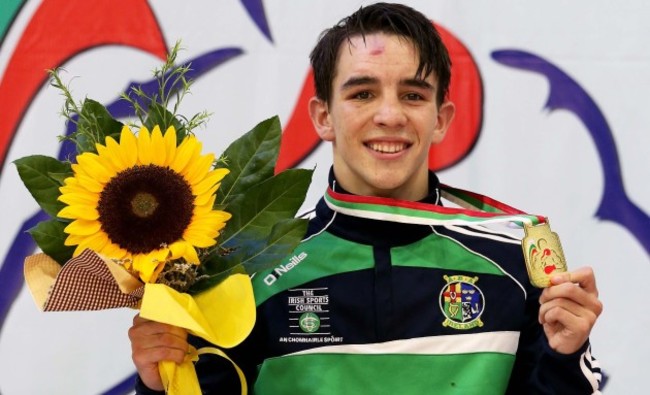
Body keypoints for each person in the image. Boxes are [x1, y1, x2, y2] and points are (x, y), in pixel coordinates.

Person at [130, 3, 603, 394]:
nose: (390, 115)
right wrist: (158, 381)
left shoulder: (515, 259)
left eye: (413, 96)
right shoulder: (245, 274)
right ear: (322, 117)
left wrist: (567, 355)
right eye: (362, 93)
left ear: (441, 119)